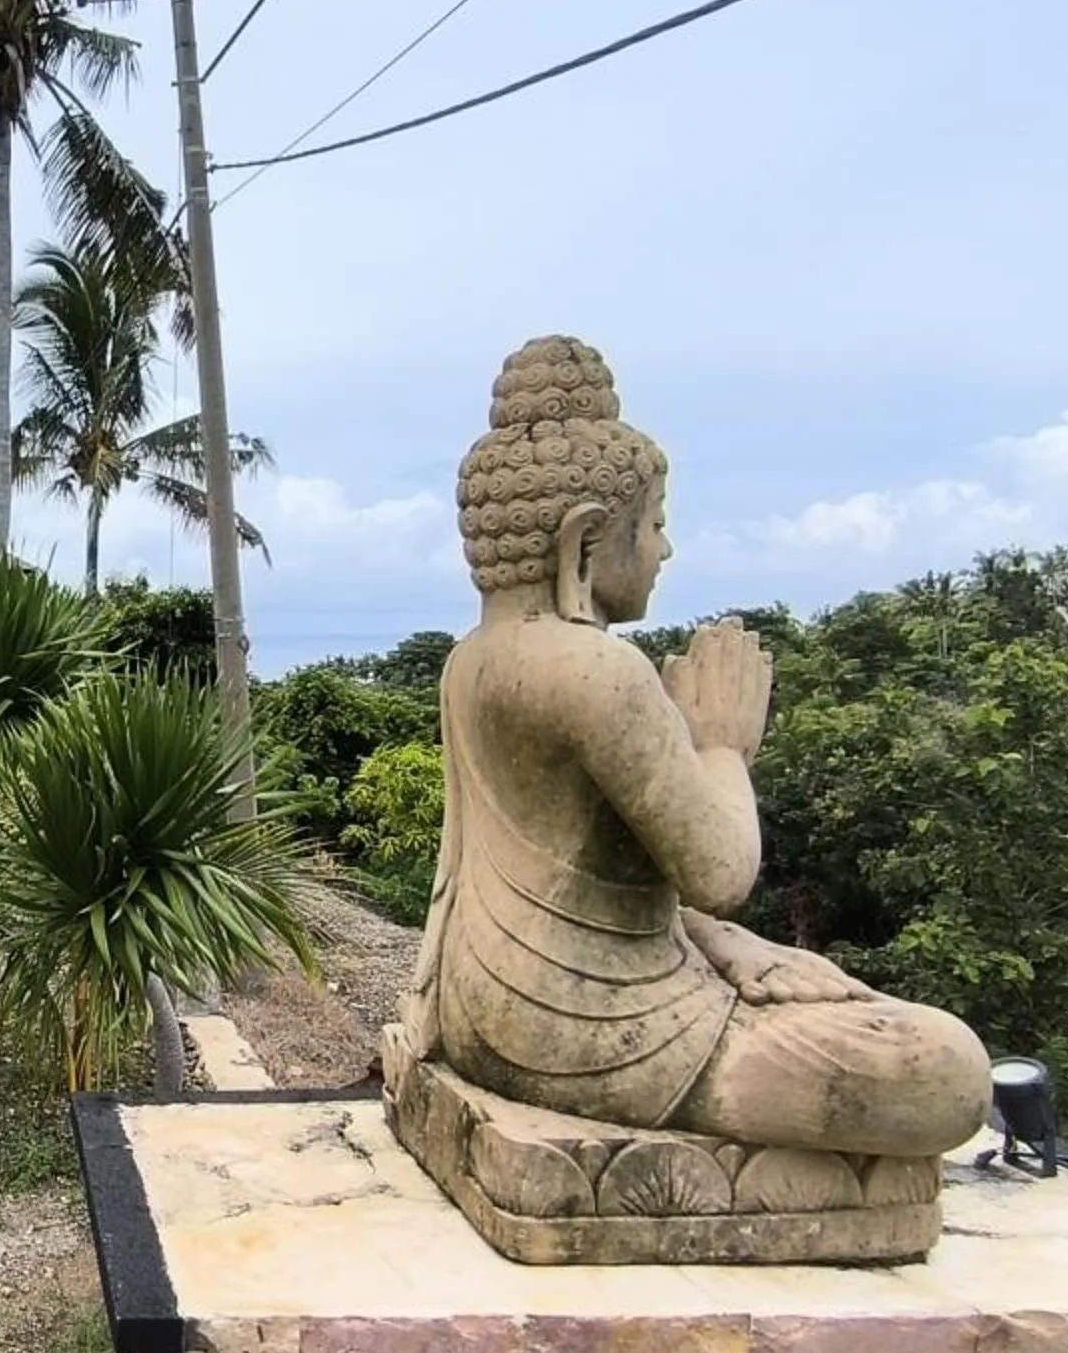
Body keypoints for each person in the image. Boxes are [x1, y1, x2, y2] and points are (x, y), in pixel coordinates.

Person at [397, 335, 990, 1159]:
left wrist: (730, 950)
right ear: (585, 540)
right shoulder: (597, 671)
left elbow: (595, 886)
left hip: (483, 1015)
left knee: (830, 996)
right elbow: (719, 872)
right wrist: (722, 746)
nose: (665, 549)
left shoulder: (471, 662)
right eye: (656, 524)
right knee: (944, 1069)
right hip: (604, 1037)